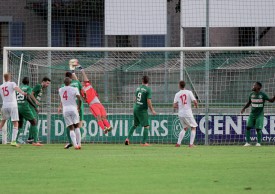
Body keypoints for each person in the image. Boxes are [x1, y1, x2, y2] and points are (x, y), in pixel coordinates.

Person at [71, 60, 112, 134]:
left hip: (98, 103)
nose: (82, 82)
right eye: (81, 82)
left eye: (83, 81)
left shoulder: (88, 84)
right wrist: (72, 70)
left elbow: (85, 76)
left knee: (104, 117)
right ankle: (104, 129)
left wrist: (81, 68)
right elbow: (76, 79)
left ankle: (108, 127)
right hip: (92, 104)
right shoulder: (81, 89)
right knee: (98, 117)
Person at [59, 59, 84, 149]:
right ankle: (79, 144)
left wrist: (60, 106)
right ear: (70, 81)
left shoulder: (60, 89)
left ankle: (75, 145)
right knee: (77, 126)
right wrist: (78, 107)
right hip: (73, 108)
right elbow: (79, 98)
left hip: (65, 109)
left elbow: (62, 99)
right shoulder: (74, 88)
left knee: (71, 128)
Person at [125, 75, 156, 146]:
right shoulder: (148, 89)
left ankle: (127, 139)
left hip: (136, 108)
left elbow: (135, 99)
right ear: (148, 81)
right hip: (142, 110)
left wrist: (137, 105)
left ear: (142, 81)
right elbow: (148, 101)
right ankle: (143, 142)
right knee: (146, 126)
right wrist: (152, 110)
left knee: (135, 125)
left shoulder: (138, 88)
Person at [241, 82, 275, 146]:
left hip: (259, 115)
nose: (253, 86)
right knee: (248, 127)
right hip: (252, 114)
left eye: (254, 85)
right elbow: (249, 103)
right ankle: (247, 143)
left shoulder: (262, 95)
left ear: (258, 87)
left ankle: (259, 143)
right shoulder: (251, 94)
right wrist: (244, 108)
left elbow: (271, 100)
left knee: (258, 128)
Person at [0, 73, 26, 147]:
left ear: (4, 78)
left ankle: (13, 141)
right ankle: (13, 141)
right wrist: (23, 93)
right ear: (10, 77)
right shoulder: (12, 83)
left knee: (2, 123)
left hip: (4, 105)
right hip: (12, 105)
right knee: (15, 122)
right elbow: (16, 88)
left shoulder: (1, 86)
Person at [16, 77, 42, 146]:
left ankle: (15, 141)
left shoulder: (18, 88)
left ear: (22, 82)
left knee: (19, 124)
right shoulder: (28, 88)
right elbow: (27, 97)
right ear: (28, 82)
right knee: (34, 122)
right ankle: (35, 141)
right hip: (25, 107)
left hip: (18, 107)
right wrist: (34, 106)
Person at [174, 81, 198, 148]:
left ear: (179, 86)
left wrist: (180, 106)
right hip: (188, 113)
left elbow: (174, 105)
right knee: (193, 127)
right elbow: (195, 101)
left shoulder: (177, 94)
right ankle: (191, 144)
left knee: (185, 128)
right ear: (184, 85)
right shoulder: (189, 92)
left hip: (181, 113)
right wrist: (196, 106)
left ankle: (178, 143)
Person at [27, 77, 51, 144]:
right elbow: (31, 94)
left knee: (34, 122)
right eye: (47, 83)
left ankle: (30, 138)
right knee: (34, 122)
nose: (47, 85)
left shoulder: (41, 88)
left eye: (48, 84)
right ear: (43, 81)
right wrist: (36, 102)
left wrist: (37, 105)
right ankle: (33, 138)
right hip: (32, 106)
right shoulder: (38, 86)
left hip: (34, 107)